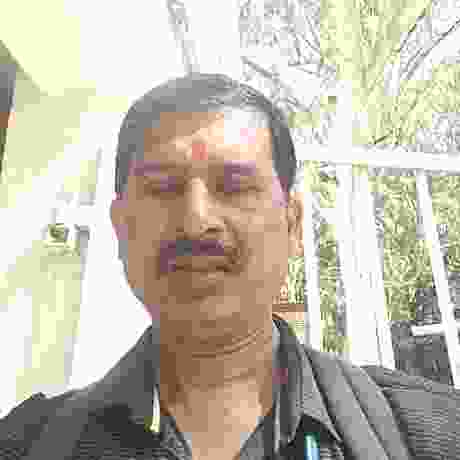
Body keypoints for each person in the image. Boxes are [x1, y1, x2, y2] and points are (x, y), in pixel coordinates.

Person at [1, 73, 459, 460]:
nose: (196, 220)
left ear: (292, 224)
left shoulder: (436, 433)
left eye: (235, 186)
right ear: (120, 228)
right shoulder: (25, 444)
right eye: (162, 188)